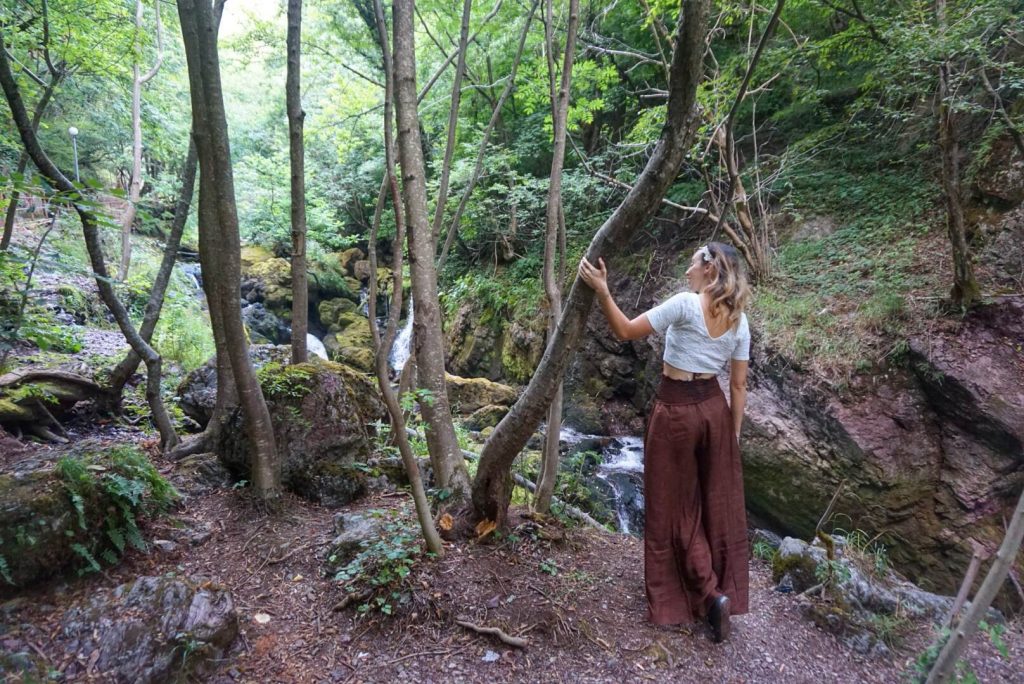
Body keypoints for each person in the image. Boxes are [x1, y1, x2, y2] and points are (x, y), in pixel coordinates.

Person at [577, 241, 751, 643]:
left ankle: (708, 595)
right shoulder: (740, 321)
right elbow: (739, 384)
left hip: (676, 409)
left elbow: (624, 331)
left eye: (693, 264)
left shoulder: (686, 305)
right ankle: (713, 589)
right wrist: (733, 435)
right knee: (712, 502)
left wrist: (603, 290)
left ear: (709, 270)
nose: (688, 270)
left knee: (675, 506)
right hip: (715, 410)